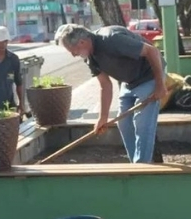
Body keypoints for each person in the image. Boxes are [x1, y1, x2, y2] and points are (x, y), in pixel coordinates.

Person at [54, 23, 167, 163]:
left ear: (82, 42)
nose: (73, 55)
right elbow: (105, 85)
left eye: (73, 50)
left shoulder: (111, 39)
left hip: (149, 76)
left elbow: (152, 52)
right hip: (129, 82)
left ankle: (142, 165)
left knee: (142, 122)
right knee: (124, 123)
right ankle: (136, 164)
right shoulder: (90, 57)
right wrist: (103, 118)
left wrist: (160, 86)